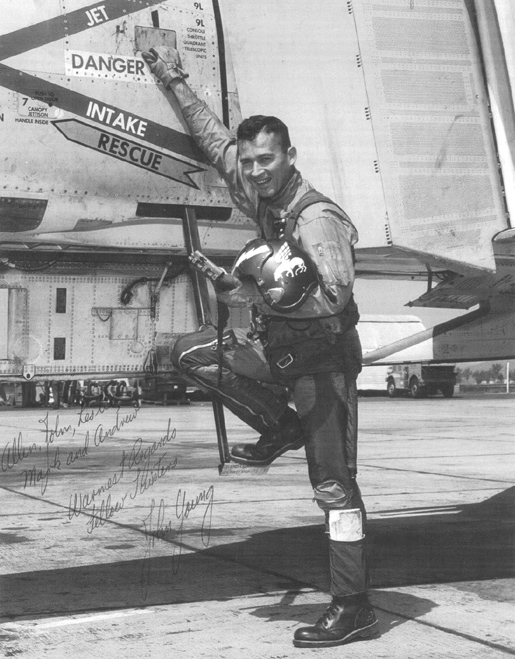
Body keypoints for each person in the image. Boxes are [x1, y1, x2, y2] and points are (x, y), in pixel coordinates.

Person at [143, 46, 378, 648]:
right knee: (192, 354)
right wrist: (170, 75)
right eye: (249, 162)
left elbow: (333, 296)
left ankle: (353, 605)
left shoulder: (314, 219)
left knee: (334, 487)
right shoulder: (257, 194)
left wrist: (264, 287)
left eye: (265, 160)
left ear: (290, 157)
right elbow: (211, 137)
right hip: (279, 347)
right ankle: (282, 426)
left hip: (323, 363)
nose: (254, 170)